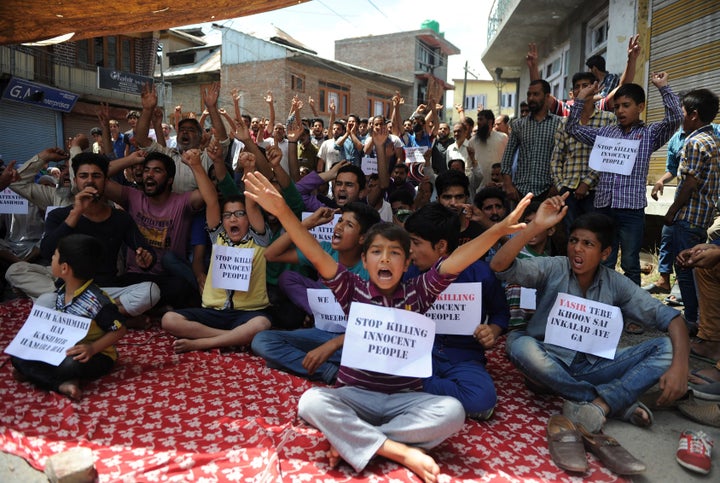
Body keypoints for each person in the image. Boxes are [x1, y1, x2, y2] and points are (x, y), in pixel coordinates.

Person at [243, 167, 531, 482]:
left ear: (407, 263)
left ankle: (358, 441)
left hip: (406, 399)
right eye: (376, 252)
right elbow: (313, 254)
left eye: (394, 253)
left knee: (453, 413)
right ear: (364, 262)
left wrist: (498, 230)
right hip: (356, 394)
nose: (384, 260)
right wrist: (284, 211)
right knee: (311, 401)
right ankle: (398, 450)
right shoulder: (352, 289)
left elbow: (460, 259)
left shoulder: (418, 292)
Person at [490, 195, 690, 433]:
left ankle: (598, 402)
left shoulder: (616, 283)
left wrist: (681, 366)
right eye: (573, 240)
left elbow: (673, 319)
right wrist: (535, 226)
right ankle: (611, 403)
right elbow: (500, 266)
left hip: (591, 367)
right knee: (517, 344)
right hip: (545, 359)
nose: (577, 248)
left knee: (666, 348)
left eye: (588, 244)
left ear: (605, 253)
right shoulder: (555, 266)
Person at [566, 73, 682, 286]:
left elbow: (675, 119)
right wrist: (580, 99)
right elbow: (572, 128)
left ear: (640, 107)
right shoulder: (606, 132)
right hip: (603, 207)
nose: (620, 111)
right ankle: (602, 303)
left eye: (626, 105)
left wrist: (663, 87)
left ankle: (631, 310)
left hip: (631, 209)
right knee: (603, 261)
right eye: (617, 106)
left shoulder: (650, 133)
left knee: (630, 262)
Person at [251, 202, 380, 384]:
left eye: (349, 225)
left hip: (352, 339)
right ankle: (331, 372)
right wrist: (308, 223)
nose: (339, 226)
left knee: (374, 362)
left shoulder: (373, 266)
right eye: (340, 221)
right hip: (320, 331)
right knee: (262, 341)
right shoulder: (325, 250)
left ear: (362, 238)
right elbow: (271, 254)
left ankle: (305, 360)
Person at [404, 203, 510, 420]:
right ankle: (422, 388)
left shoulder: (479, 273)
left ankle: (414, 390)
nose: (409, 250)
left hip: (464, 357)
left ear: (441, 246)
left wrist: (492, 331)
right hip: (420, 353)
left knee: (482, 401)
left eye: (415, 243)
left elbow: (501, 313)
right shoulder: (408, 273)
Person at [161, 149, 271, 353]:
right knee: (169, 319)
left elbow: (253, 205)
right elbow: (211, 200)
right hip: (214, 313)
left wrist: (249, 169)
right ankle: (230, 338)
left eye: (240, 214)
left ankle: (203, 342)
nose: (233, 219)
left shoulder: (259, 240)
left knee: (262, 325)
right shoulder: (218, 236)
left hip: (247, 314)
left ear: (249, 218)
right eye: (227, 215)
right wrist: (196, 165)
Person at [10, 234, 127, 400]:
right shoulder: (63, 290)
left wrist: (92, 348)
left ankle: (52, 379)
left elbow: (120, 330)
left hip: (95, 355)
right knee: (18, 356)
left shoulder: (97, 301)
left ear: (64, 268)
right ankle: (63, 383)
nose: (51, 259)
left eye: (54, 256)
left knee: (69, 365)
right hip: (64, 348)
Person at [662, 88, 720, 335]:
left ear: (694, 115)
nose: (680, 116)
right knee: (696, 267)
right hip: (705, 215)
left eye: (683, 112)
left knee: (684, 267)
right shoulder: (714, 139)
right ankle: (699, 319)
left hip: (688, 216)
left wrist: (672, 211)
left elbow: (690, 183)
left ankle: (692, 319)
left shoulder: (693, 142)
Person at [550, 72, 616, 234]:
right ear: (572, 93)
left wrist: (586, 182)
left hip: (596, 190)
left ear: (595, 88)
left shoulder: (608, 119)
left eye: (586, 86)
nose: (582, 90)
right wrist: (561, 187)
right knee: (571, 234)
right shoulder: (565, 122)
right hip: (568, 189)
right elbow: (557, 158)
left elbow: (607, 155)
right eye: (577, 87)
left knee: (595, 235)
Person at [501, 80, 561, 201]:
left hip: (548, 192)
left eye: (536, 94)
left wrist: (556, 187)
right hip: (520, 191)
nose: (531, 98)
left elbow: (564, 158)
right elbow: (507, 158)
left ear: (547, 96)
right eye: (529, 94)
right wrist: (508, 185)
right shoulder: (518, 124)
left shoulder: (559, 123)